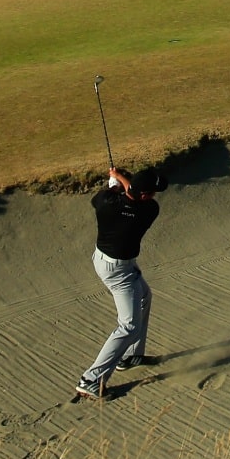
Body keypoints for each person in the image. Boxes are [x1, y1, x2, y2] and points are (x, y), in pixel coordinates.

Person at [74, 166, 166, 402]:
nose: (156, 195)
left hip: (104, 260)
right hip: (119, 272)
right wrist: (121, 177)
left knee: (145, 296)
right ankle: (91, 380)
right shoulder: (149, 210)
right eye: (153, 191)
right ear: (145, 195)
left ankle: (131, 356)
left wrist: (115, 181)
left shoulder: (105, 202)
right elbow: (131, 193)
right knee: (129, 326)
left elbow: (122, 193)